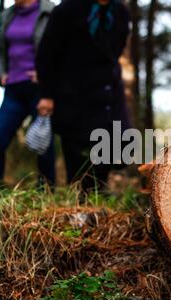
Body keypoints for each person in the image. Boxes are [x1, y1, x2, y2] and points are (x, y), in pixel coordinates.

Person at [36, 0, 131, 191]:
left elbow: (117, 48)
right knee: (79, 156)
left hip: (108, 94)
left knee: (115, 148)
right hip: (73, 96)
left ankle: (100, 196)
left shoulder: (120, 11)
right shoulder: (67, 9)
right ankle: (83, 204)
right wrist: (47, 94)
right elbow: (46, 54)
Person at [0, 0, 56, 191]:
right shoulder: (8, 15)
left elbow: (59, 50)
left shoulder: (49, 12)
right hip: (13, 90)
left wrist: (46, 76)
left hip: (39, 89)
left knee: (43, 143)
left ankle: (47, 191)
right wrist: (1, 74)